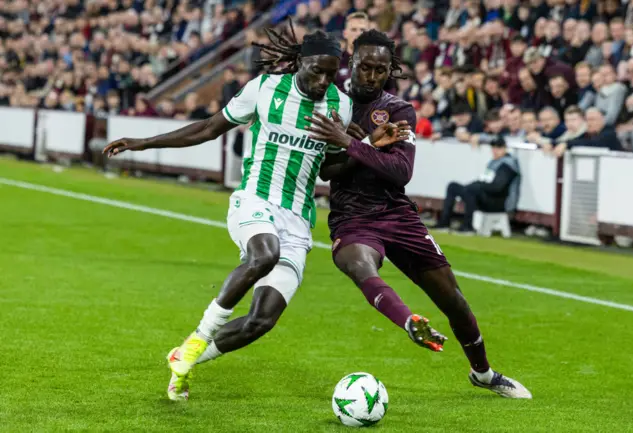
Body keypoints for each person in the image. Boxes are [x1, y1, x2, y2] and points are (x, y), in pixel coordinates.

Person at [102, 28, 379, 402]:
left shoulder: (340, 106)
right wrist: (145, 142)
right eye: (317, 70)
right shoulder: (264, 89)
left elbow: (329, 170)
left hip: (298, 220)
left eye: (331, 73)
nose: (323, 81)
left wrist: (364, 148)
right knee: (265, 254)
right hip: (254, 200)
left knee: (260, 321)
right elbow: (207, 128)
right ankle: (199, 339)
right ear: (300, 61)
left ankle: (184, 358)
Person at [308, 30, 531, 399]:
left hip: (397, 215)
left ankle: (484, 373)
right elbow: (327, 171)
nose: (372, 76)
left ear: (390, 70)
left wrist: (350, 143)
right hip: (352, 216)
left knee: (454, 301)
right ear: (352, 62)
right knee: (357, 264)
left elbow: (400, 171)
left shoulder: (398, 110)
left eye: (381, 70)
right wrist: (366, 144)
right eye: (365, 67)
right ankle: (409, 320)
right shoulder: (333, 105)